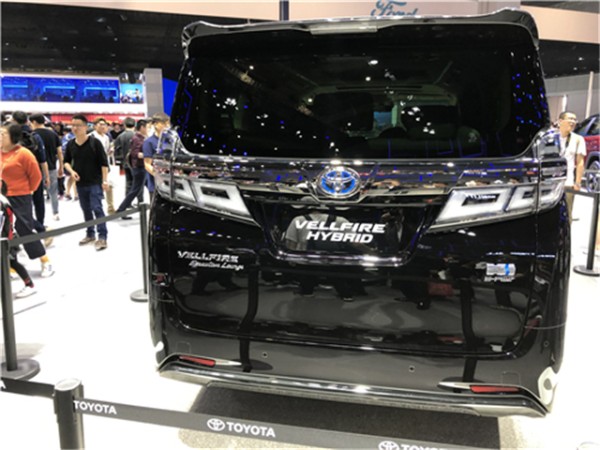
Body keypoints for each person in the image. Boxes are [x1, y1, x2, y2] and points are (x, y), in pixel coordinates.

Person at [0, 122, 54, 277]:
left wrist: (28, 191)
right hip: (2, 197)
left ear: (13, 136)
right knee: (5, 231)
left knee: (24, 229)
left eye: (3, 134)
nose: (0, 137)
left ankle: (45, 260)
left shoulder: (24, 154)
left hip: (20, 196)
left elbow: (36, 177)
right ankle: (11, 265)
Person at [64, 114, 109, 251]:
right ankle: (90, 234)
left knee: (97, 208)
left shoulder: (95, 143)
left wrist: (105, 180)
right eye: (73, 125)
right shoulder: (71, 144)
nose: (75, 128)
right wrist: (71, 171)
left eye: (78, 125)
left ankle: (102, 236)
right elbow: (66, 162)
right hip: (80, 183)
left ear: (85, 127)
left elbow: (104, 163)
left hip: (95, 182)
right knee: (86, 209)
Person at [10, 111, 50, 233]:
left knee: (19, 205)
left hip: (17, 176)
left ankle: (35, 226)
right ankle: (40, 225)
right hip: (35, 173)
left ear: (14, 121)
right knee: (39, 201)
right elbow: (43, 159)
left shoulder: (11, 137)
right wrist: (47, 176)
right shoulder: (35, 136)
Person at [0, 180, 36, 298]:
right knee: (12, 262)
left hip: (7, 238)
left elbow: (3, 223)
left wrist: (7, 238)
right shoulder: (3, 200)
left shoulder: (2, 202)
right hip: (7, 236)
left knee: (13, 262)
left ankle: (29, 285)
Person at [30, 113, 64, 221]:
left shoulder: (32, 135)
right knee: (53, 191)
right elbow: (59, 152)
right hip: (51, 166)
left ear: (34, 122)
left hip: (35, 168)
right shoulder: (53, 134)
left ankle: (35, 216)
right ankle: (56, 213)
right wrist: (61, 166)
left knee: (36, 193)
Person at [116, 119, 149, 218]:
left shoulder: (140, 137)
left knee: (140, 188)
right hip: (139, 167)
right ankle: (121, 210)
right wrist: (149, 155)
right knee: (135, 190)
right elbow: (135, 153)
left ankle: (141, 206)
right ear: (142, 127)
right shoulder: (137, 138)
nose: (148, 129)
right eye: (147, 127)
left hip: (138, 166)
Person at [556, 111, 586, 220]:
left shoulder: (578, 139)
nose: (573, 122)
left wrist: (577, 182)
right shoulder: (551, 137)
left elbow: (580, 163)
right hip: (551, 183)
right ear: (560, 121)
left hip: (568, 183)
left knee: (567, 214)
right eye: (570, 119)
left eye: (575, 120)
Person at [113, 117, 142, 204]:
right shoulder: (138, 136)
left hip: (126, 163)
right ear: (135, 125)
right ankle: (140, 202)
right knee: (138, 183)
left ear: (124, 125)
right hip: (137, 164)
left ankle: (128, 203)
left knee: (128, 183)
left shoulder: (120, 136)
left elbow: (116, 150)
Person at [143, 112, 170, 202]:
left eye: (167, 123)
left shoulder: (169, 141)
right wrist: (158, 176)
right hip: (156, 184)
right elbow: (147, 164)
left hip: (171, 182)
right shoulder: (149, 142)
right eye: (163, 123)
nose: (166, 126)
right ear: (155, 124)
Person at [91, 117, 115, 213]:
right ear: (94, 126)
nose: (102, 126)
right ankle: (97, 208)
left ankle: (110, 208)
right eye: (100, 124)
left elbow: (106, 150)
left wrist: (110, 150)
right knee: (96, 188)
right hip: (94, 166)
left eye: (104, 124)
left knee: (109, 186)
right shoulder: (91, 137)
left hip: (105, 164)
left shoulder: (106, 137)